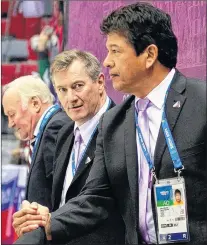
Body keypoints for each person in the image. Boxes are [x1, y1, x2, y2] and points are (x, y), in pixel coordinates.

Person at [13, 2, 206, 245]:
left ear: (149, 55)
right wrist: (51, 221)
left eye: (115, 51)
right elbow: (96, 196)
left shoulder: (201, 103)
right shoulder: (115, 122)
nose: (106, 61)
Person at [13, 50, 125, 244]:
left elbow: (98, 203)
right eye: (62, 90)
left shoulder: (122, 128)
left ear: (100, 82)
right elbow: (61, 201)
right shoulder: (65, 133)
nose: (70, 98)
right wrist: (36, 217)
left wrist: (48, 222)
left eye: (78, 86)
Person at [2, 75, 69, 212]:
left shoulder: (55, 128)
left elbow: (62, 195)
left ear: (35, 104)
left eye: (12, 114)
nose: (10, 124)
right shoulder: (46, 130)